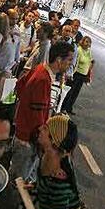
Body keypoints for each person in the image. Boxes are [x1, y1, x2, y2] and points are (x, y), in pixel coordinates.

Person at [12, 41, 74, 177]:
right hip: (27, 140)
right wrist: (44, 142)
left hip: (23, 132)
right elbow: (38, 117)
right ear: (58, 60)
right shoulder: (43, 79)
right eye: (69, 60)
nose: (70, 64)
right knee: (18, 182)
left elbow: (20, 86)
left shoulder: (40, 69)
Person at [62, 36, 94, 115]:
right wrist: (71, 73)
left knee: (76, 93)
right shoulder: (79, 50)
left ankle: (69, 108)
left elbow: (90, 61)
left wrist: (88, 74)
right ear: (82, 41)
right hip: (76, 74)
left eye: (89, 42)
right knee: (70, 92)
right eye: (86, 41)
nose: (87, 44)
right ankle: (63, 108)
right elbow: (75, 62)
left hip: (83, 75)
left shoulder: (89, 51)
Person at [0, 9, 21, 75]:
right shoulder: (0, 32)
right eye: (12, 19)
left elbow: (17, 46)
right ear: (7, 17)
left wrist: (17, 60)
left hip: (9, 67)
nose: (14, 21)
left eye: (16, 19)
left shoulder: (17, 30)